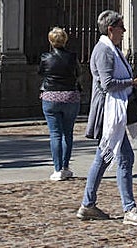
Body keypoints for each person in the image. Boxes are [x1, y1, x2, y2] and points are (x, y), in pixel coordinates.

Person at [78, 9, 137, 226]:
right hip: (109, 113)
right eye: (121, 27)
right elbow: (107, 84)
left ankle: (88, 204)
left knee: (104, 157)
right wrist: (132, 82)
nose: (124, 30)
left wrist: (133, 81)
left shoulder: (114, 50)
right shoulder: (104, 51)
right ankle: (129, 209)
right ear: (111, 29)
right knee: (124, 157)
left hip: (116, 111)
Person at [39, 26, 81, 181]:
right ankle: (65, 166)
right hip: (70, 96)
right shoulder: (72, 57)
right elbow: (78, 72)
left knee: (55, 134)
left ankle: (57, 169)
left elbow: (41, 72)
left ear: (51, 41)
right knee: (67, 133)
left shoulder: (46, 57)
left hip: (51, 96)